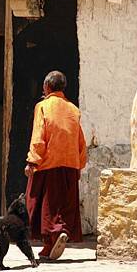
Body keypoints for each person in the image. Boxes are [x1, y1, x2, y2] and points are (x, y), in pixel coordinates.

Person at [25, 70, 87, 260]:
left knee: (42, 204)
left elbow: (39, 136)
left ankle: (49, 242)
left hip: (48, 164)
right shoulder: (73, 109)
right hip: (70, 164)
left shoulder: (43, 106)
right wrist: (79, 163)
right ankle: (60, 233)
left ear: (46, 87)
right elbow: (80, 140)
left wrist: (32, 161)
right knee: (64, 204)